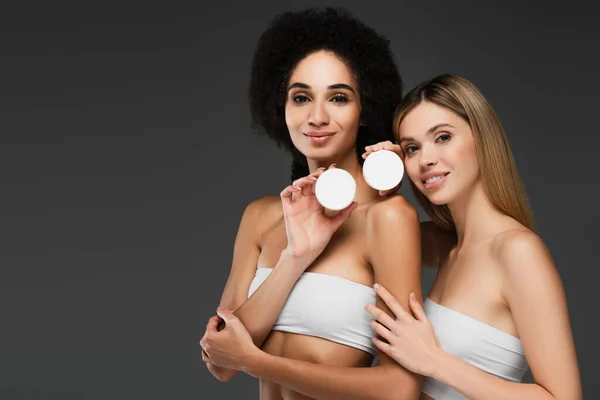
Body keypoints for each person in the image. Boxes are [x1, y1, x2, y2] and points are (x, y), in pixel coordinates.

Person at [201, 74, 582, 400]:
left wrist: (436, 362)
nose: (426, 159)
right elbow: (364, 243)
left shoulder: (517, 250)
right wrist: (377, 185)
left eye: (443, 137)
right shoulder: (450, 246)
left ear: (482, 138)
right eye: (413, 148)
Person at [200, 7, 425, 400]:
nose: (317, 116)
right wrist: (295, 257)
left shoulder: (387, 218)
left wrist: (259, 363)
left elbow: (401, 388)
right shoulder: (261, 216)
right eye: (301, 97)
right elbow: (220, 362)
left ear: (364, 110)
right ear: (280, 107)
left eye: (338, 98)